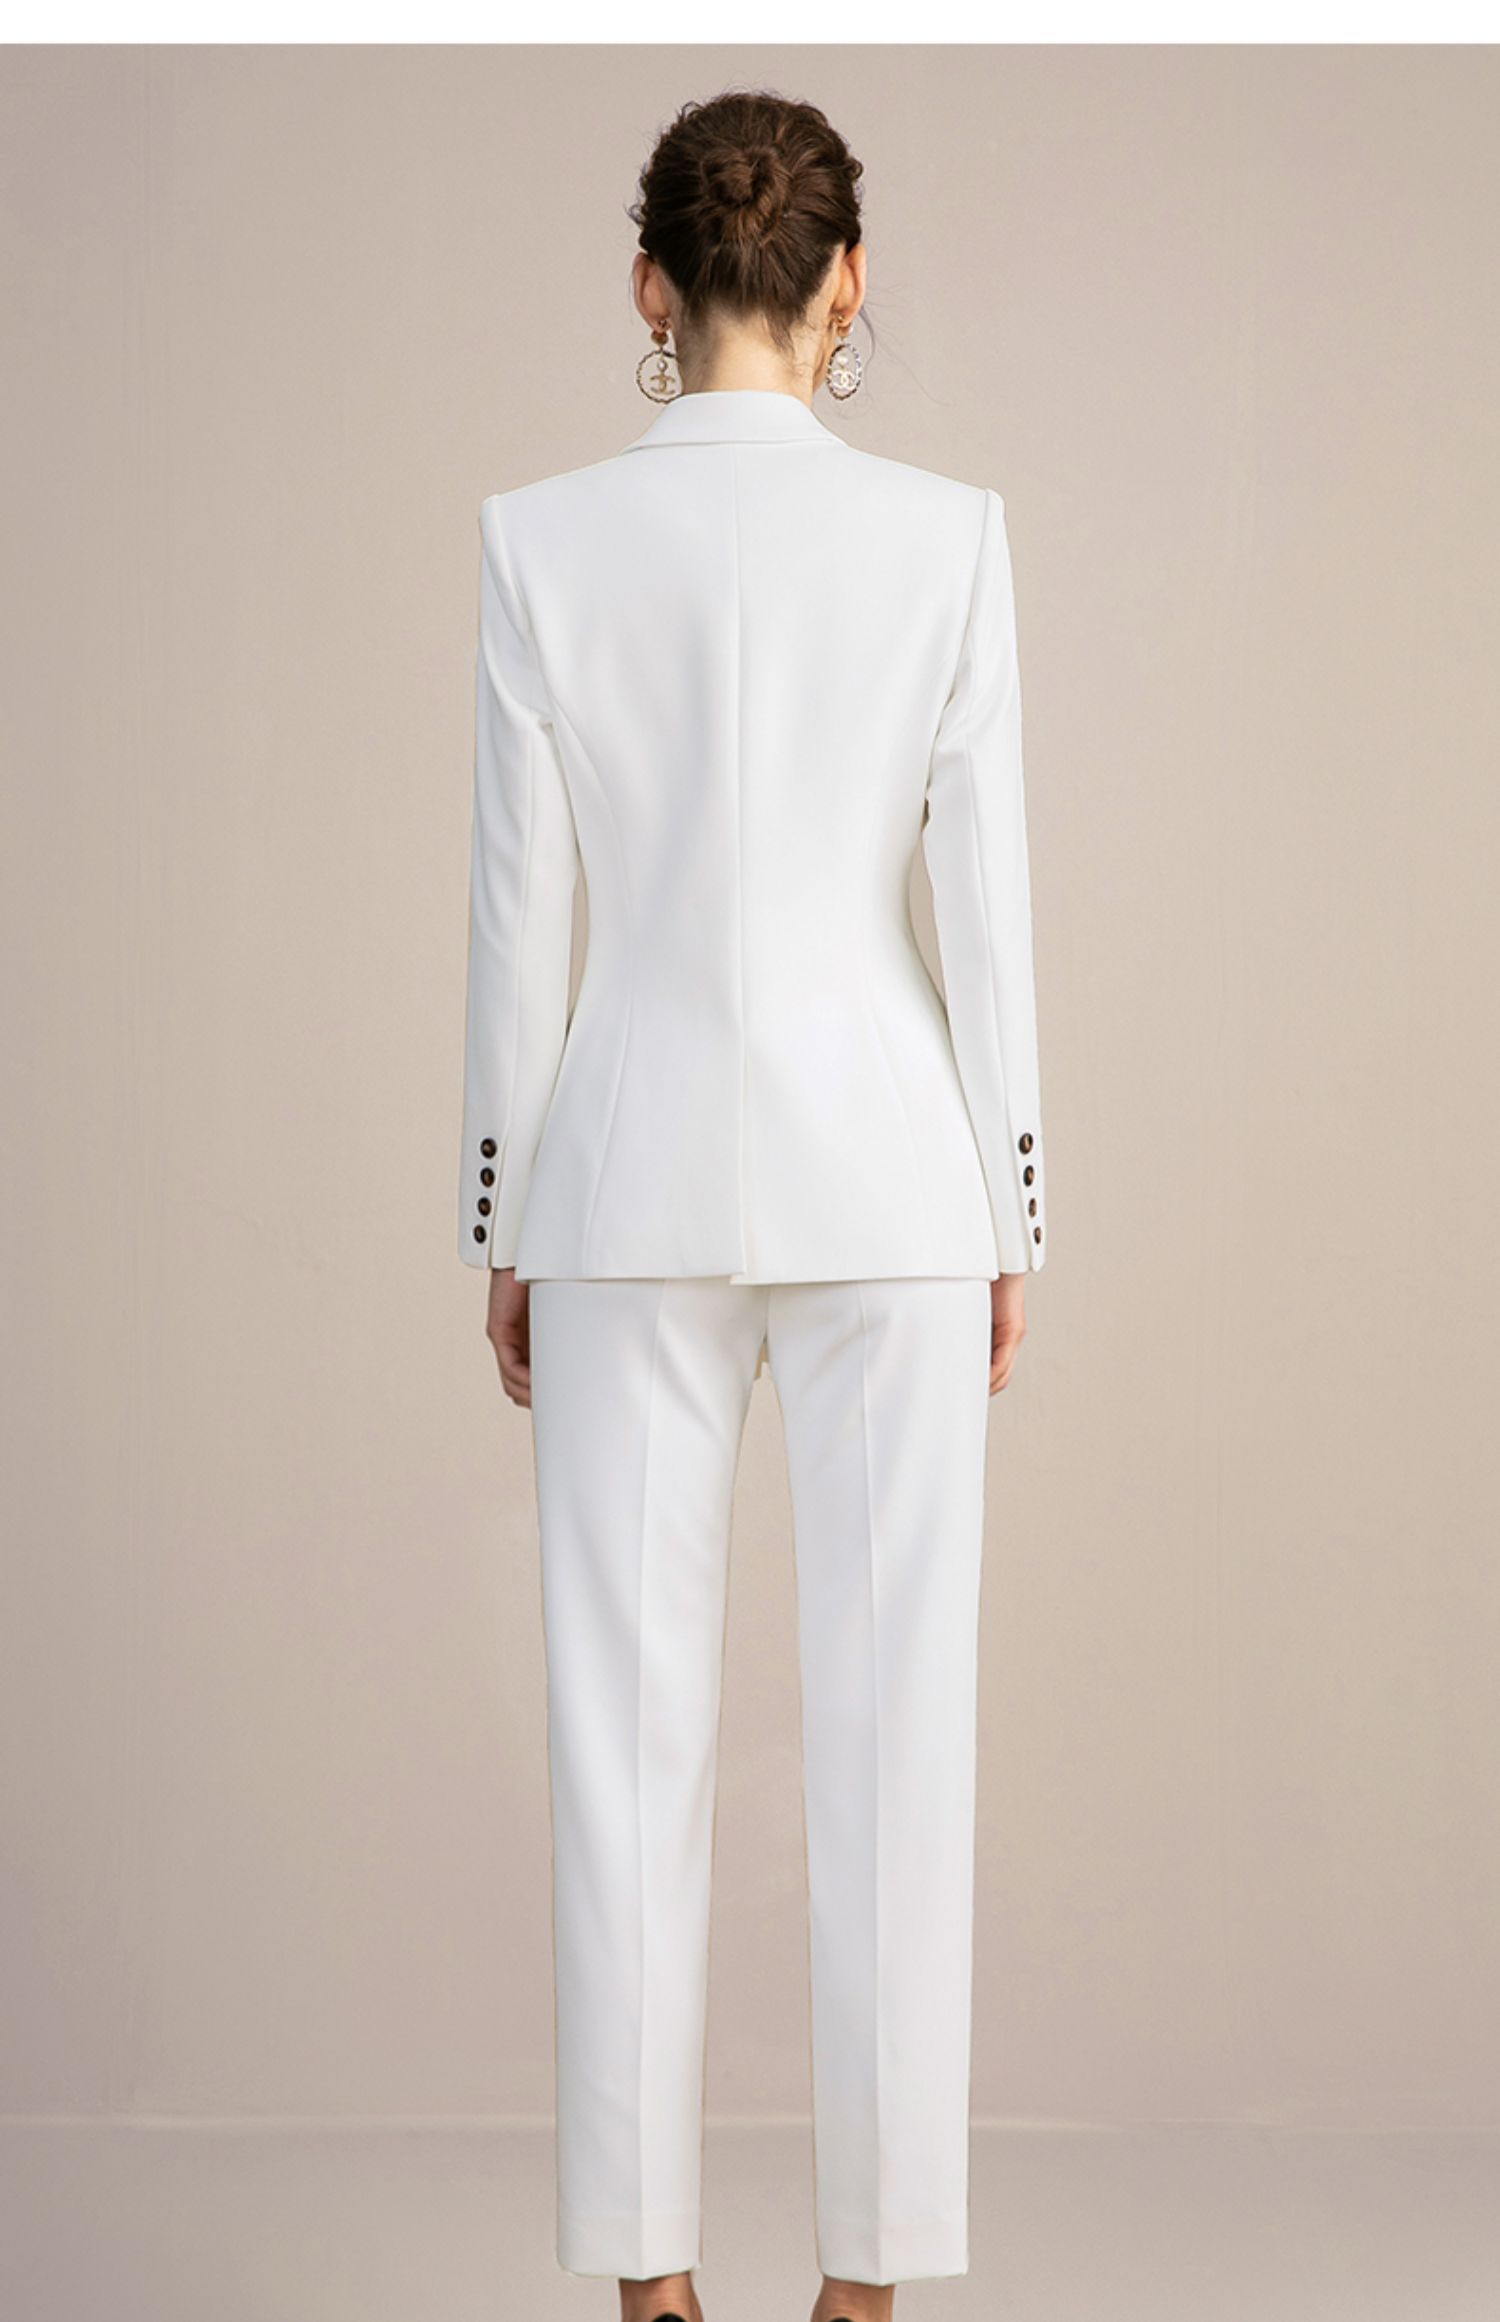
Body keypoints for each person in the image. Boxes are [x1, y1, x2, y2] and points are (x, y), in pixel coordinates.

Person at [457, 87, 1047, 2322]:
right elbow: (985, 918)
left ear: (651, 282)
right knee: (902, 1746)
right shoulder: (950, 539)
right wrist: (1013, 1213)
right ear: (845, 286)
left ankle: (647, 2290)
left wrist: (502, 1218)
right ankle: (871, 2292)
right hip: (893, 1174)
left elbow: (520, 920)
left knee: (624, 1754)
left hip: (618, 1175)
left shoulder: (538, 541)